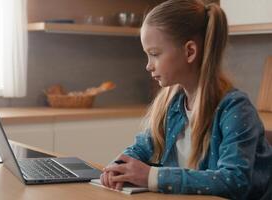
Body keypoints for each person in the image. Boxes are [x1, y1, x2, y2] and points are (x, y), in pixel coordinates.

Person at [100, 0, 272, 199]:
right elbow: (142, 148)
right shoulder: (171, 104)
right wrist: (118, 167)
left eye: (155, 54)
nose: (148, 65)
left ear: (189, 51)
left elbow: (234, 181)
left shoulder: (234, 108)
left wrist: (152, 176)